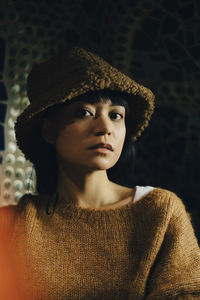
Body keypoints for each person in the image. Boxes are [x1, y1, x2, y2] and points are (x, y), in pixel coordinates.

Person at [0, 46, 200, 300]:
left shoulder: (159, 212)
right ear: (49, 130)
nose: (105, 127)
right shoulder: (14, 224)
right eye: (84, 112)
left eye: (116, 115)